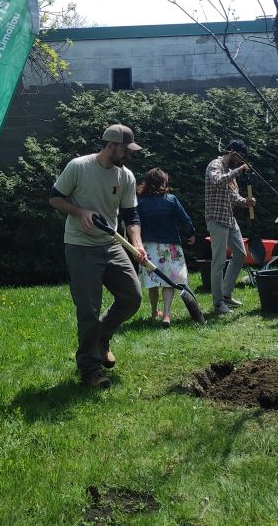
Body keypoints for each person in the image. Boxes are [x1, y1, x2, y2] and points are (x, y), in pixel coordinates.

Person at [49, 124, 147, 389]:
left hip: (112, 244)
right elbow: (55, 198)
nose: (129, 155)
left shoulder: (126, 176)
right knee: (88, 310)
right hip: (81, 246)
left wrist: (136, 244)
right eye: (126, 150)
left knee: (132, 297)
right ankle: (90, 368)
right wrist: (80, 212)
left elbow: (131, 215)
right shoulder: (79, 167)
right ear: (111, 145)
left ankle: (102, 337)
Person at [136, 168, 197, 328]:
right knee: (169, 282)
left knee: (153, 281)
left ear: (147, 183)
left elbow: (133, 223)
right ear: (163, 182)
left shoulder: (139, 202)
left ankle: (155, 311)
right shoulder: (171, 199)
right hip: (170, 247)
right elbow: (185, 219)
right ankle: (167, 314)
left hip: (148, 247)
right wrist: (190, 233)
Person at [204, 139, 256, 314]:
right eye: (240, 159)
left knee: (241, 254)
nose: (241, 163)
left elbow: (234, 198)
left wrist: (246, 202)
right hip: (216, 219)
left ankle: (226, 295)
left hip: (229, 219)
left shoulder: (231, 172)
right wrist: (239, 170)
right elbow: (216, 181)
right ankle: (218, 304)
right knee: (218, 262)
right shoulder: (215, 164)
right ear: (232, 152)